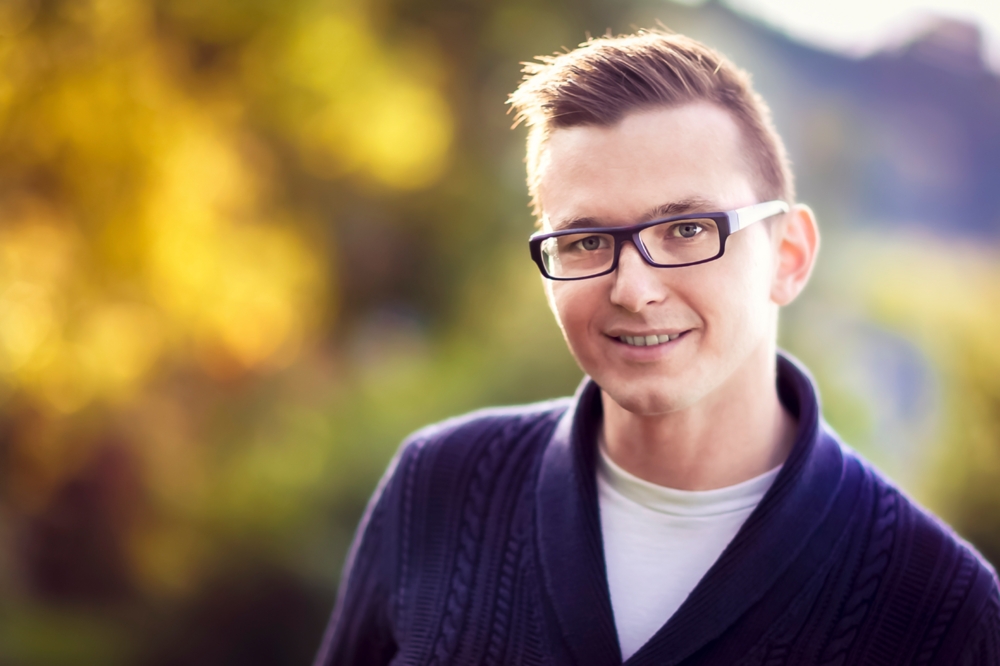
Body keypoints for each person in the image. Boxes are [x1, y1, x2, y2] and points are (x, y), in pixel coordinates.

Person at [314, 30, 1000, 665]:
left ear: (787, 254)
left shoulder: (942, 608)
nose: (632, 290)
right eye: (586, 240)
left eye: (687, 230)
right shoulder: (437, 489)